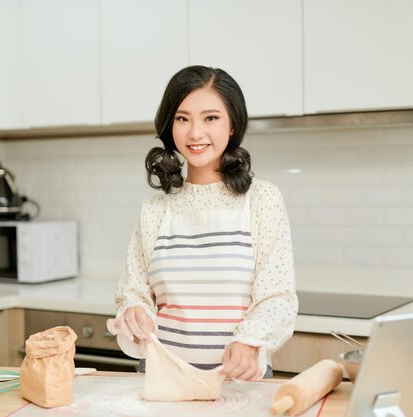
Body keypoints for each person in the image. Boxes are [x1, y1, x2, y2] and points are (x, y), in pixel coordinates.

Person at [107, 65, 298, 381]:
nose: (195, 133)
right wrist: (134, 313)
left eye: (210, 118)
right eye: (183, 119)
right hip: (164, 381)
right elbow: (133, 293)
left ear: (233, 125)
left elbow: (277, 298)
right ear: (170, 126)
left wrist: (249, 340)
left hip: (240, 383)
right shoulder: (155, 211)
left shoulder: (262, 200)